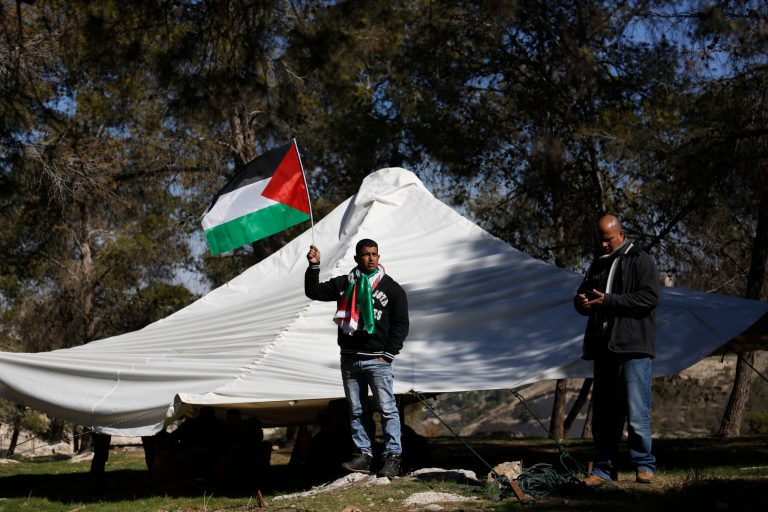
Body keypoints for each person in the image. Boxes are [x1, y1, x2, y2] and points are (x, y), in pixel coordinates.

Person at [305, 239, 409, 478]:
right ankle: (363, 454)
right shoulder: (345, 283)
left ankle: (393, 456)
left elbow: (401, 324)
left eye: (374, 254)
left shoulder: (392, 289)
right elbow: (314, 291)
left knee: (387, 409)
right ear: (356, 259)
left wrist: (388, 354)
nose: (370, 258)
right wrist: (314, 266)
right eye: (365, 254)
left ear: (379, 257)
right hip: (350, 359)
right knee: (356, 410)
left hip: (378, 361)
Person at [574, 215, 660, 487]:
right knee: (604, 415)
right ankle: (604, 469)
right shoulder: (597, 264)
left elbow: (649, 298)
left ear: (620, 234)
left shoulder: (641, 260)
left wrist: (609, 300)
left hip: (633, 349)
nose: (602, 244)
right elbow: (583, 295)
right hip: (604, 349)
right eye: (599, 239)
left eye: (607, 239)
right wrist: (581, 302)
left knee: (636, 413)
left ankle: (644, 465)